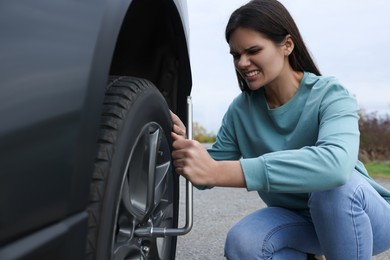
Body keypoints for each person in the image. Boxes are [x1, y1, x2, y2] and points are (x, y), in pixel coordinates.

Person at [170, 0, 390, 259]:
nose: (242, 63)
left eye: (253, 51)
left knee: (332, 191)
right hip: (299, 223)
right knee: (244, 244)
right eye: (236, 54)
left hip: (362, 217)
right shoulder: (241, 110)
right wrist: (186, 147)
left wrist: (219, 171)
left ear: (287, 45)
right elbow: (209, 170)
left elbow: (336, 166)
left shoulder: (331, 94)